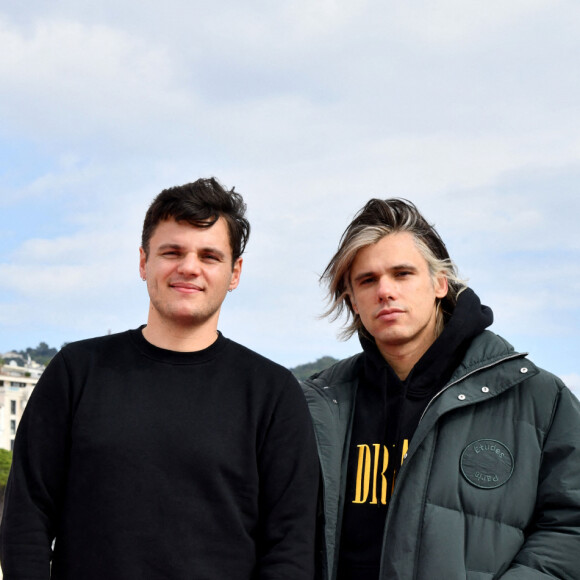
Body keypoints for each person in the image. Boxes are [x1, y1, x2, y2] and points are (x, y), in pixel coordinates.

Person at [0, 178, 319, 580]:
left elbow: (290, 547)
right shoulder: (76, 371)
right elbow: (26, 517)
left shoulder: (273, 393)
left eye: (209, 256)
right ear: (143, 261)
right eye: (172, 251)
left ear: (235, 272)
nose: (189, 267)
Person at [301, 198, 580, 580]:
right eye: (367, 280)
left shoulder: (537, 398)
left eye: (402, 274)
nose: (385, 291)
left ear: (439, 283)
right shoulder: (319, 404)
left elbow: (570, 527)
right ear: (351, 298)